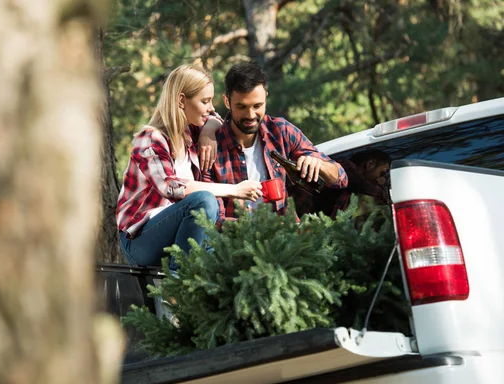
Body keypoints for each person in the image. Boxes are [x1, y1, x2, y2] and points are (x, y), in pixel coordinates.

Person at [116, 64, 262, 270]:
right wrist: (235, 190)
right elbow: (171, 187)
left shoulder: (190, 134)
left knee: (225, 250)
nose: (211, 107)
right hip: (141, 241)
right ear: (182, 100)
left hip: (180, 236)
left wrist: (208, 130)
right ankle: (178, 285)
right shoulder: (150, 139)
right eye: (205, 101)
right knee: (204, 201)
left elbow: (218, 119)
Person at [200, 62, 348, 225]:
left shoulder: (280, 131)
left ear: (266, 97)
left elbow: (341, 179)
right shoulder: (211, 147)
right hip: (237, 242)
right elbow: (214, 219)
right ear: (227, 101)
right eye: (241, 107)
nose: (250, 115)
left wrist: (320, 165)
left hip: (287, 238)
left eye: (258, 106)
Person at [296, 149, 391, 220]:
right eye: (382, 173)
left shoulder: (350, 187)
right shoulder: (345, 167)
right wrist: (386, 193)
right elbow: (364, 185)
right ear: (370, 164)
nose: (380, 179)